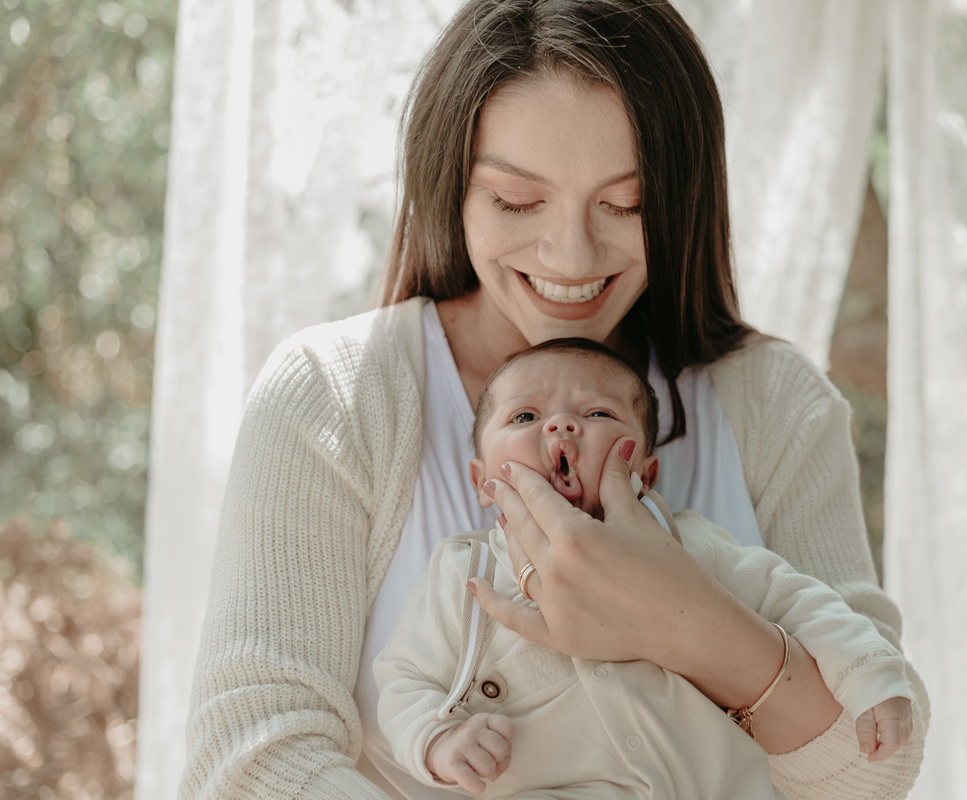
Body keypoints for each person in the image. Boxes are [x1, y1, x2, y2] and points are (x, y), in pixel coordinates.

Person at [181, 1, 929, 799]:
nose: (570, 256)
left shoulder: (776, 405)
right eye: (516, 200)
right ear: (452, 188)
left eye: (627, 204)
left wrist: (680, 617)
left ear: (684, 197)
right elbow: (250, 757)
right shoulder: (336, 397)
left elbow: (874, 770)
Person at [373, 339, 915, 798]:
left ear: (646, 470)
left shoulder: (691, 548)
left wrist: (869, 674)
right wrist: (436, 742)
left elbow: (801, 603)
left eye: (598, 414)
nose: (561, 425)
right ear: (481, 478)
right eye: (525, 417)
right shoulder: (463, 573)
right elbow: (404, 679)